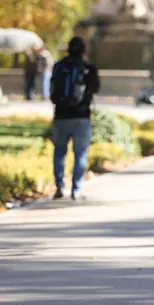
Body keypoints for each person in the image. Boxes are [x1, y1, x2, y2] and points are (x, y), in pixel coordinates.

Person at [51, 37, 100, 200]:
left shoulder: (59, 66)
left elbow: (51, 90)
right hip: (81, 117)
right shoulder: (88, 68)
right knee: (80, 153)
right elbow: (95, 88)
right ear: (84, 51)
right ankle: (76, 189)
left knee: (59, 152)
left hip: (60, 116)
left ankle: (59, 186)